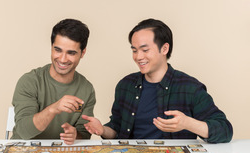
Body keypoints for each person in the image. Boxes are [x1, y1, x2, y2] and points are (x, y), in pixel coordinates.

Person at [82, 18, 233, 143]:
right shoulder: (125, 85)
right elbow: (117, 130)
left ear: (164, 49)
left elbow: (225, 130)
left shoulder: (190, 87)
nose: (138, 56)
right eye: (134, 50)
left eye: (145, 50)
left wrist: (187, 123)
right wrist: (102, 130)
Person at [11, 19, 96, 145]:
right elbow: (24, 131)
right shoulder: (29, 81)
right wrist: (54, 109)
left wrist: (75, 135)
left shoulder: (87, 89)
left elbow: (83, 134)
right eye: (58, 50)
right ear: (51, 47)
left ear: (82, 53)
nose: (62, 59)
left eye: (71, 53)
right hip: (24, 151)